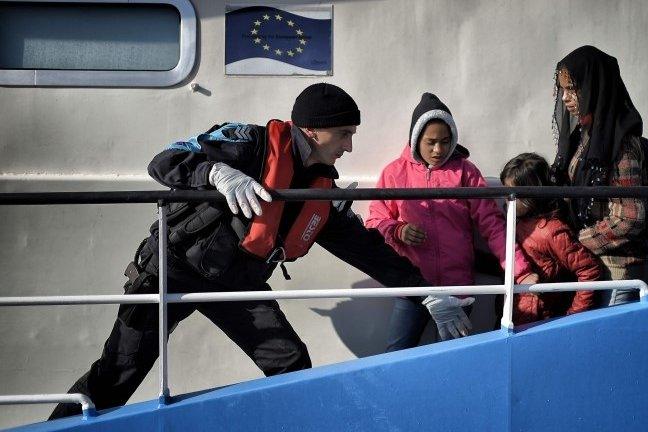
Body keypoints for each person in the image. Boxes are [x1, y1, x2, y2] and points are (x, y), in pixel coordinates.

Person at [50, 83, 467, 419]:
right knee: (120, 370)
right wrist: (215, 171)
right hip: (173, 268)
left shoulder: (320, 188)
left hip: (237, 283)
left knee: (290, 364)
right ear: (314, 130)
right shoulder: (248, 143)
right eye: (344, 134)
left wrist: (426, 293)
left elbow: (368, 251)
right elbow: (164, 160)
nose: (349, 146)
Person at [366, 92, 537, 351]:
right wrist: (397, 230)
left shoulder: (466, 172)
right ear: (415, 139)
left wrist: (520, 272)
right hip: (412, 286)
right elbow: (375, 221)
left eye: (445, 142)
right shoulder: (394, 172)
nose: (438, 150)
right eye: (431, 142)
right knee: (395, 355)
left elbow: (493, 225)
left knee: (451, 359)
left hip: (457, 289)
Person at [550, 46, 646, 306]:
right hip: (588, 268)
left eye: (573, 89)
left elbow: (629, 218)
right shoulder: (584, 136)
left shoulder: (620, 143)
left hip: (615, 273)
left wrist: (575, 242)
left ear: (594, 87)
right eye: (563, 90)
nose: (565, 98)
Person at [497, 153, 603, 326]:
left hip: (539, 321)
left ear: (531, 195)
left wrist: (573, 317)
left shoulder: (551, 231)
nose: (507, 200)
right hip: (514, 316)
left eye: (513, 195)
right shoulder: (518, 222)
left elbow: (589, 270)